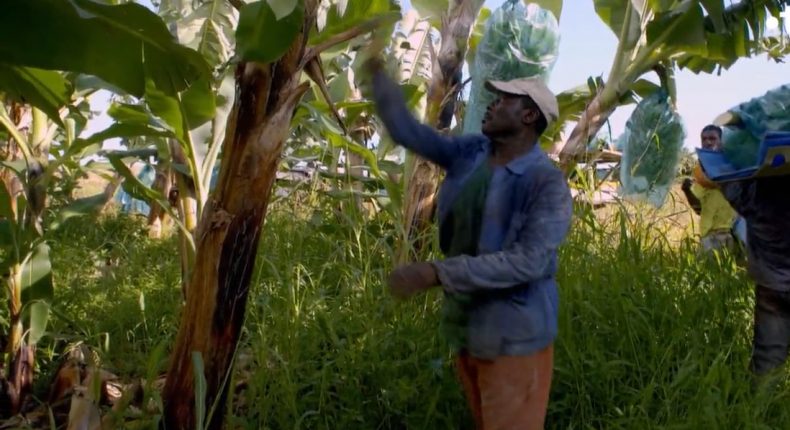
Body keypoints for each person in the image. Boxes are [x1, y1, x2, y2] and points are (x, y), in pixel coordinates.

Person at [364, 57, 573, 430]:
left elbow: (528, 262)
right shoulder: (473, 153)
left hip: (514, 337)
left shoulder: (546, 183)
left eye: (505, 100)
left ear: (528, 117)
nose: (492, 103)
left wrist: (436, 272)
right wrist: (381, 80)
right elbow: (411, 134)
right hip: (469, 328)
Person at [716, 173, 790, 376]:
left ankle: (761, 406)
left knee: (768, 360)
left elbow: (732, 189)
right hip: (770, 284)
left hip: (771, 283)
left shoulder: (758, 188)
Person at [681, 125, 739, 253]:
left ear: (722, 142)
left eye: (712, 138)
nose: (707, 142)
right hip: (709, 236)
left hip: (733, 234)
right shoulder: (701, 172)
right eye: (704, 139)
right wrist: (687, 191)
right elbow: (699, 209)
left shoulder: (733, 166)